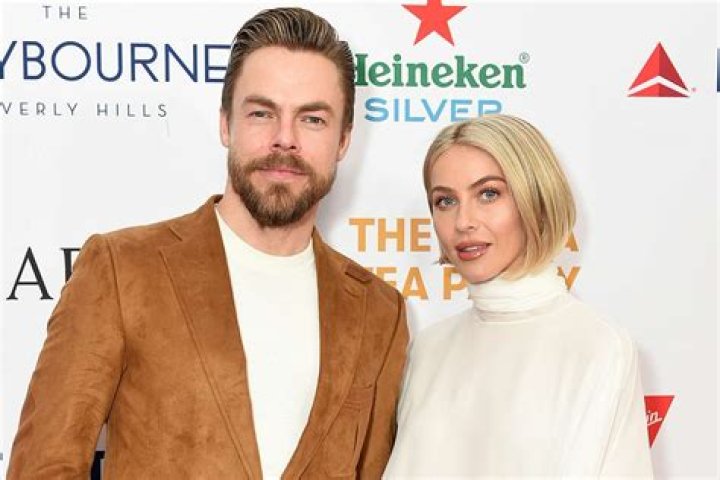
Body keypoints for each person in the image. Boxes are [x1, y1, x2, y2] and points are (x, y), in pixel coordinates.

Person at [7, 7, 408, 479]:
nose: (285, 139)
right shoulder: (122, 270)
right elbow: (42, 469)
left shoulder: (380, 312)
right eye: (261, 113)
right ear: (225, 124)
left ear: (343, 141)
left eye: (313, 119)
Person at [384, 115, 653, 478]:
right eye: (445, 201)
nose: (463, 221)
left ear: (537, 200)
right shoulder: (428, 348)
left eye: (488, 194)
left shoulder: (596, 345)